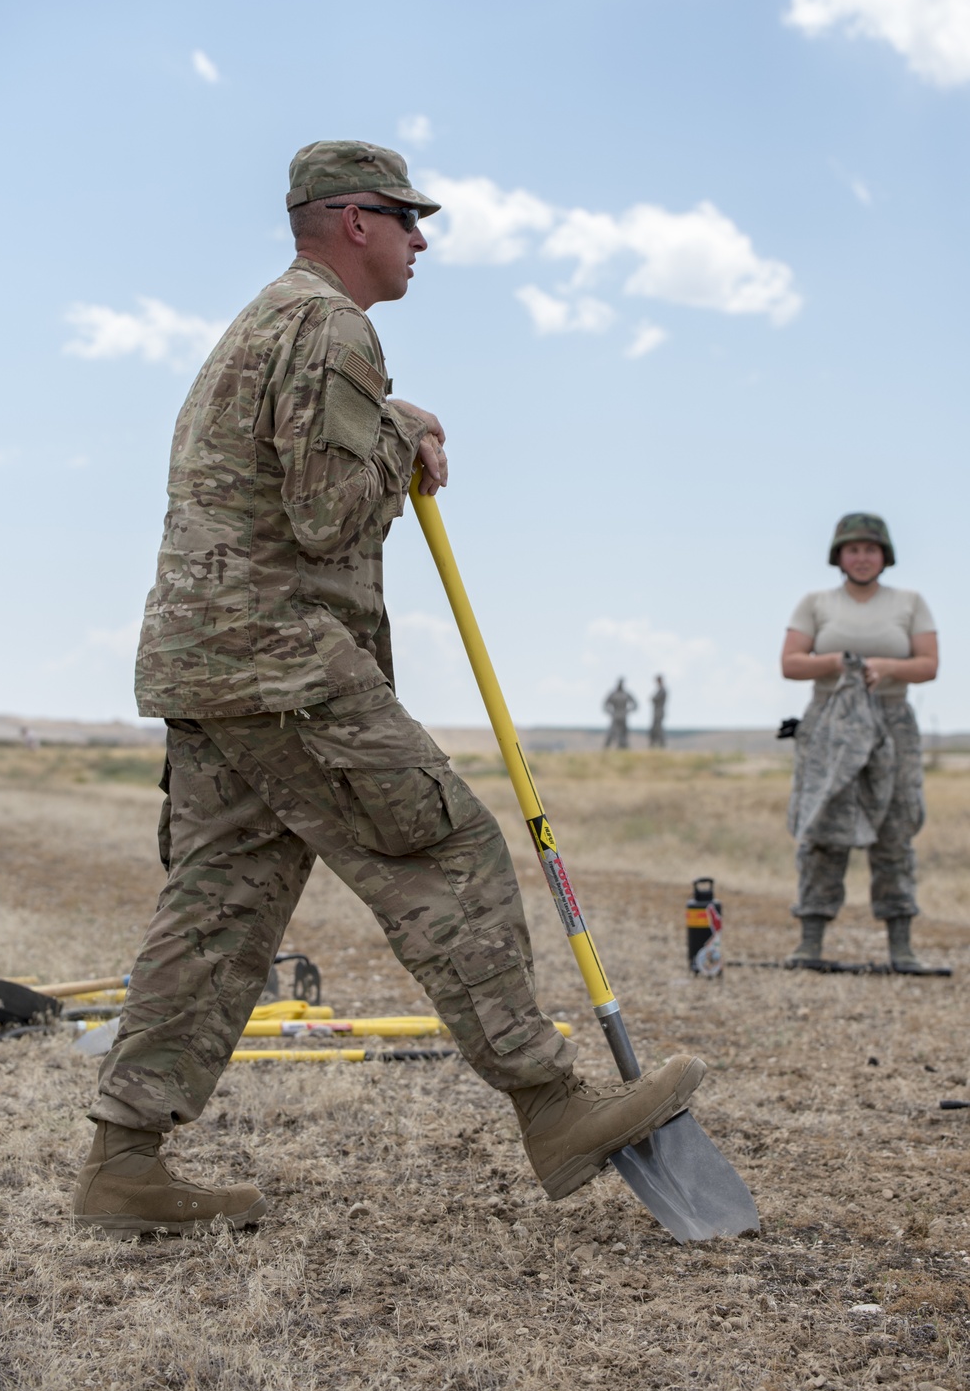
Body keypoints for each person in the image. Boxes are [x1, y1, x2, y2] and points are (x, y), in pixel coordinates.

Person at [72, 141, 704, 1238]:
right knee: (444, 850)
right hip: (280, 665)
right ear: (349, 221)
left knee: (221, 907)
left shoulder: (265, 325)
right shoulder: (332, 327)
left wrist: (390, 425)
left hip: (212, 664)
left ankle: (125, 1159)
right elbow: (327, 514)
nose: (421, 240)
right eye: (407, 219)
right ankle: (553, 1106)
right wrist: (402, 433)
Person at [781, 513, 938, 972]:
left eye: (871, 549)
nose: (862, 557)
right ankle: (810, 941)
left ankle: (901, 946)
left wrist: (885, 668)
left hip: (891, 722)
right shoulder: (815, 602)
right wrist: (835, 661)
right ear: (839, 556)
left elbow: (929, 664)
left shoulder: (910, 602)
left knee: (895, 829)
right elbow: (790, 662)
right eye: (854, 549)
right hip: (830, 722)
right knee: (822, 826)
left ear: (884, 555)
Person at [602, 677, 637, 750]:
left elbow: (635, 704)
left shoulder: (626, 694)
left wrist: (628, 711)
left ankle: (623, 748)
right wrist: (611, 712)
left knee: (623, 734)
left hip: (623, 717)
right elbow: (605, 705)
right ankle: (606, 749)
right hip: (615, 716)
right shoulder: (613, 694)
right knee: (611, 733)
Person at [649, 675, 667, 749]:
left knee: (658, 729)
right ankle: (654, 744)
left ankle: (661, 744)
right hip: (657, 711)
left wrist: (653, 698)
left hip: (659, 712)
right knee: (655, 729)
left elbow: (654, 699)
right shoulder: (660, 690)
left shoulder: (662, 690)